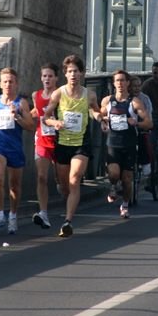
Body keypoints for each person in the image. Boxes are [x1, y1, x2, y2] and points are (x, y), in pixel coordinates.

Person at [43, 55, 102, 237]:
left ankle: (68, 221)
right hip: (62, 143)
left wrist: (100, 118)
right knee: (65, 185)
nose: (73, 74)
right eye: (69, 71)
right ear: (65, 74)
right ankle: (67, 198)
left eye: (76, 71)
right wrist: (55, 123)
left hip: (81, 144)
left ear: (82, 73)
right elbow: (46, 117)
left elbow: (95, 110)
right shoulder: (58, 93)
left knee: (74, 178)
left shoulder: (89, 94)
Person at [0, 67, 34, 234]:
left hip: (15, 148)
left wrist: (17, 116)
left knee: (15, 186)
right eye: (5, 82)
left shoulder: (21, 103)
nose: (8, 84)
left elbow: (31, 126)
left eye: (11, 81)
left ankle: (13, 215)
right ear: (0, 84)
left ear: (16, 84)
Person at [100, 70, 152, 218]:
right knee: (114, 173)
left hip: (129, 144)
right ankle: (113, 186)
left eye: (123, 80)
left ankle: (125, 205)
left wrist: (136, 122)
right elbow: (99, 115)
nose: (120, 84)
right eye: (117, 80)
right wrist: (103, 123)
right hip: (113, 143)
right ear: (113, 83)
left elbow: (148, 122)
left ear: (128, 83)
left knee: (127, 179)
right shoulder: (107, 101)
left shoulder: (134, 102)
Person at [30, 63, 59, 229]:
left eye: (50, 76)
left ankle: (68, 202)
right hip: (42, 139)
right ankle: (44, 213)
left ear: (56, 78)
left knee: (62, 180)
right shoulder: (36, 95)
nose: (47, 79)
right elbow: (37, 111)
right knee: (41, 177)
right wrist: (21, 112)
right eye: (44, 76)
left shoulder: (61, 95)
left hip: (60, 140)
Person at [130, 76, 154, 177]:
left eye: (138, 86)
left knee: (143, 138)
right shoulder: (124, 97)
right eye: (134, 86)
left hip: (141, 126)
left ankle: (145, 162)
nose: (136, 88)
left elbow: (148, 115)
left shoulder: (144, 98)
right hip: (126, 127)